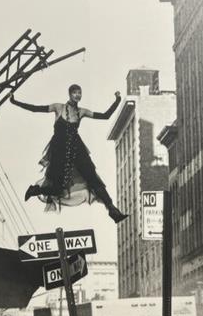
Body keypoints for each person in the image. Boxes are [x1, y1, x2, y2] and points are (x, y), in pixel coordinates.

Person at [9, 85, 128, 223]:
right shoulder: (58, 107)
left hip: (77, 150)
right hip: (59, 151)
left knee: (93, 179)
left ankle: (113, 211)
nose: (78, 95)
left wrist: (117, 100)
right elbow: (35, 109)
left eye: (80, 93)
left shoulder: (82, 112)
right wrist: (14, 101)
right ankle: (35, 190)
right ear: (70, 94)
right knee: (57, 189)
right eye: (75, 92)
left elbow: (105, 116)